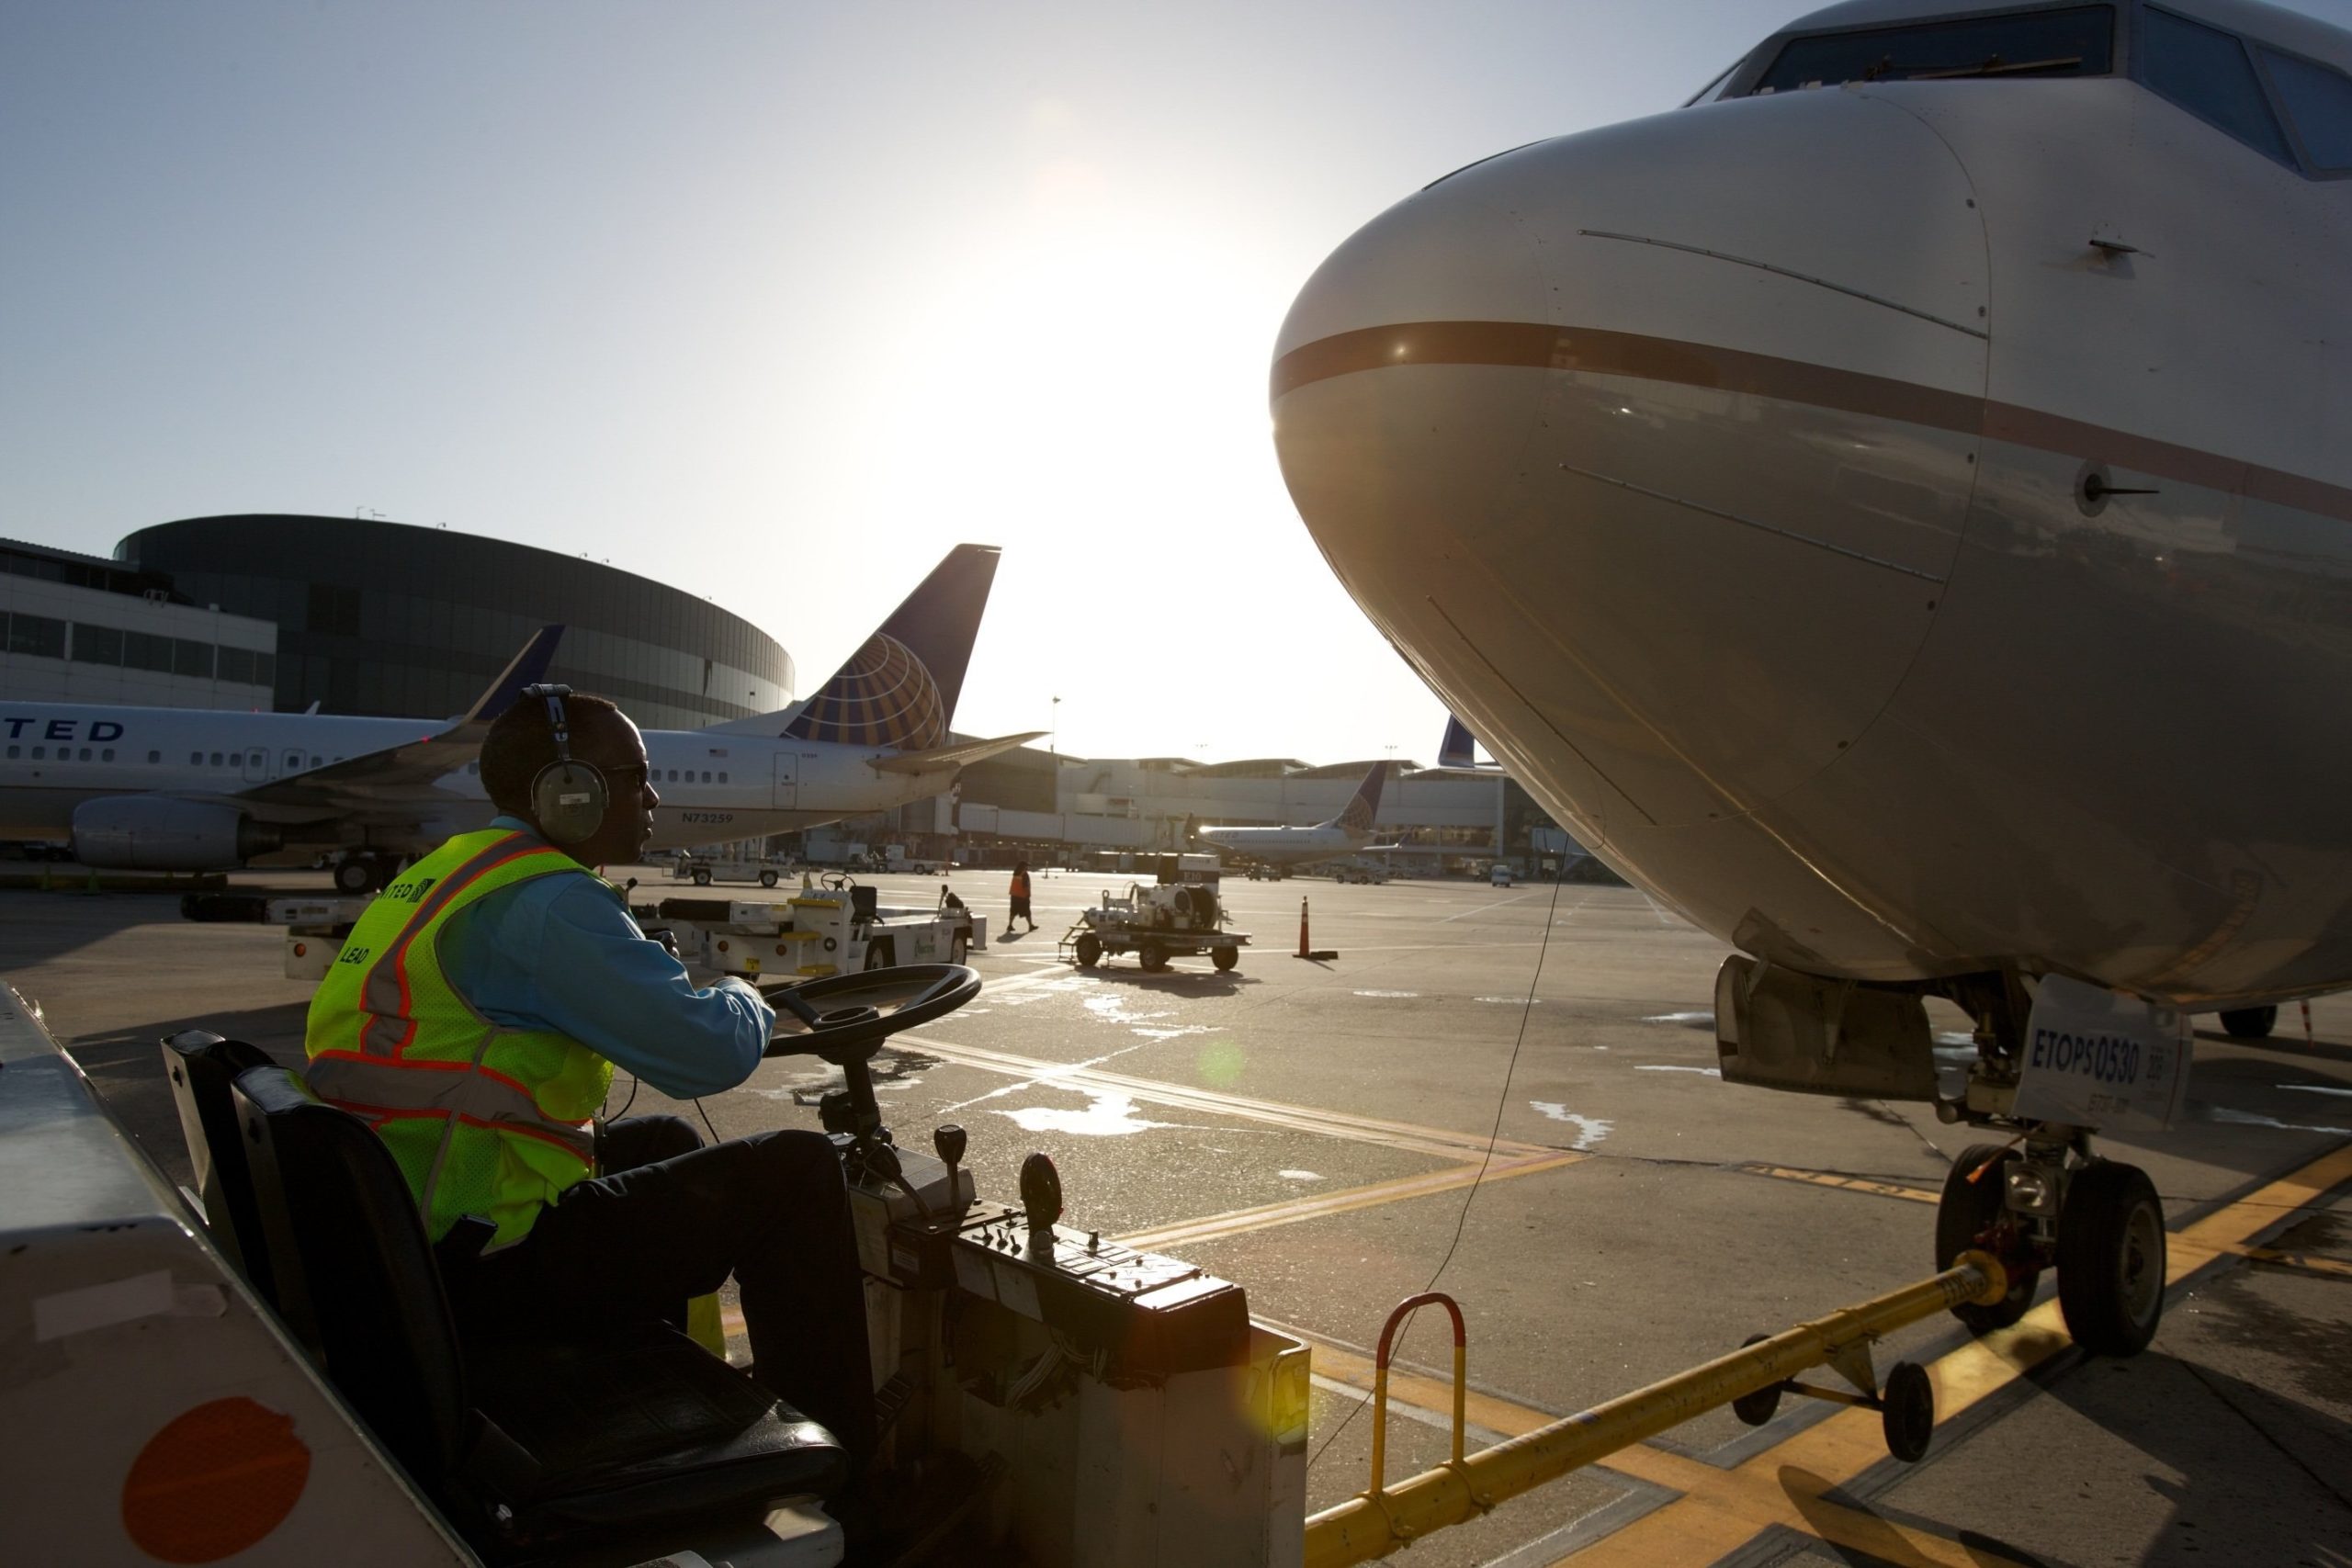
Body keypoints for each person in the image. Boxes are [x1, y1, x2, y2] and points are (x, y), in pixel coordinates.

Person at [302, 687, 876, 1462]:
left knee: (664, 1139)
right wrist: (746, 993)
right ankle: (850, 1476)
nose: (653, 796)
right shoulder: (547, 903)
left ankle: (666, 1406)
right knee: (798, 1171)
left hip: (402, 1230)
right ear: (569, 792)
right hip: (472, 1271)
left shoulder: (453, 873)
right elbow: (706, 1054)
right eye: (635, 776)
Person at [1007, 859, 1035, 934]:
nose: (1028, 868)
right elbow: (1025, 886)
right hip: (1022, 896)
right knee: (1027, 911)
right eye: (1027, 866)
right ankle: (1030, 925)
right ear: (1024, 867)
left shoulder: (1016, 873)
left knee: (1013, 911)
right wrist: (1028, 894)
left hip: (1014, 896)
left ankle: (1010, 925)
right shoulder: (1025, 875)